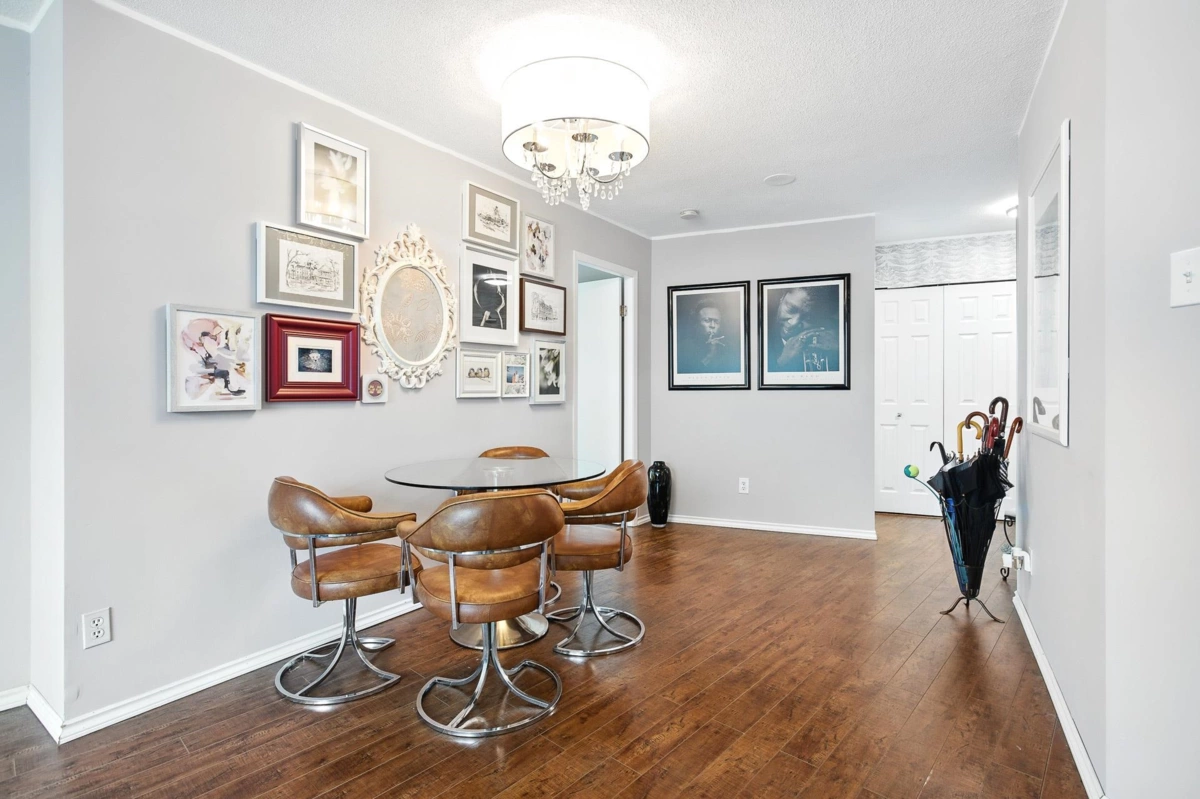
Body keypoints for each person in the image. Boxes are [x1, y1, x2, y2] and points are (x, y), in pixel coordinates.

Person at [773, 287, 839, 372]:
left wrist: (843, 351)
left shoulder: (838, 332)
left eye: (809, 318)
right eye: (791, 309)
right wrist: (781, 362)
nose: (794, 323)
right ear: (782, 298)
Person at [678, 298, 740, 374]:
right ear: (696, 323)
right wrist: (710, 355)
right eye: (707, 321)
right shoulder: (683, 348)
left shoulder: (730, 349)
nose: (712, 326)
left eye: (716, 322)